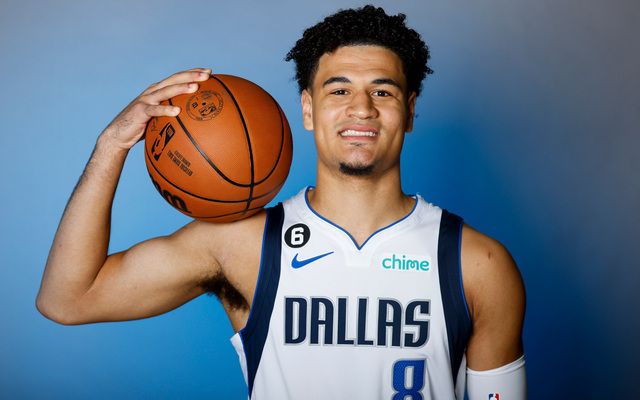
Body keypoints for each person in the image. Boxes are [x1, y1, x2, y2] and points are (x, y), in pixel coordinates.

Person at [37, 5, 526, 399]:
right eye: (339, 90)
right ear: (308, 109)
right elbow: (68, 299)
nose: (361, 109)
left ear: (410, 110)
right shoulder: (241, 245)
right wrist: (112, 146)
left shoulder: (475, 264)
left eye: (383, 91)